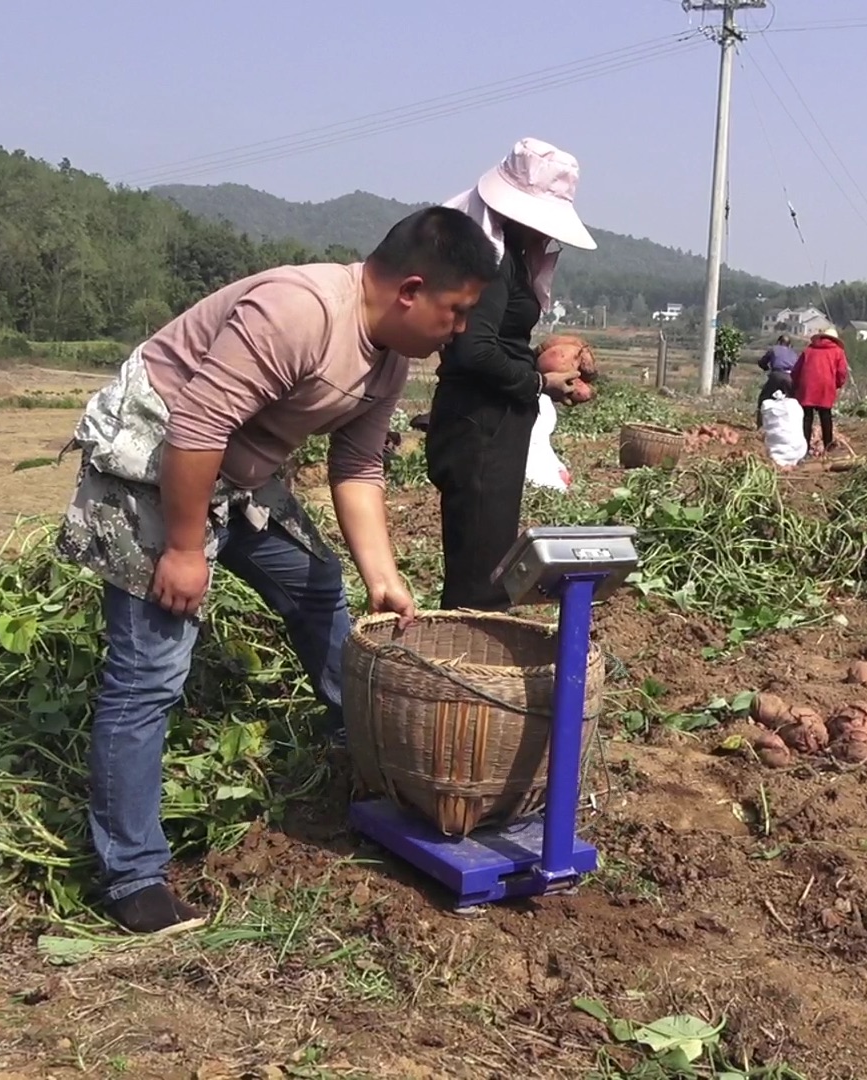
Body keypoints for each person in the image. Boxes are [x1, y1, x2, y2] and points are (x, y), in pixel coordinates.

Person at [55, 206, 499, 935]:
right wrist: (185, 550)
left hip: (238, 475)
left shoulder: (388, 356)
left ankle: (363, 758)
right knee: (150, 674)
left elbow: (356, 467)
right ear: (412, 290)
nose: (458, 331)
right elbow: (195, 427)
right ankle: (130, 875)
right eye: (456, 313)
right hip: (156, 466)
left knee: (319, 589)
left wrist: (381, 573)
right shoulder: (299, 312)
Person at [427, 137, 596, 611]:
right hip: (480, 424)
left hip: (491, 423)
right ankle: (466, 661)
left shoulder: (510, 259)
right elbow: (474, 350)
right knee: (479, 574)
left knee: (485, 554)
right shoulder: (493, 263)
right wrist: (540, 382)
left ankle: (467, 647)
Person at [792, 328, 849, 454]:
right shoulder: (838, 351)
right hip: (826, 384)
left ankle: (804, 448)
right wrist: (837, 384)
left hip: (807, 384)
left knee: (806, 417)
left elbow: (796, 370)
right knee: (825, 415)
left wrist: (796, 385)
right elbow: (842, 372)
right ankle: (828, 447)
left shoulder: (809, 350)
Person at [755, 334, 797, 428]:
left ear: (778, 342)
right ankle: (789, 426)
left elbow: (763, 362)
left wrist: (766, 368)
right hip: (790, 377)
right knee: (790, 402)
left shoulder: (774, 349)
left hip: (776, 375)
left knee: (764, 398)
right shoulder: (793, 353)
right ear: (789, 345)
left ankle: (760, 425)